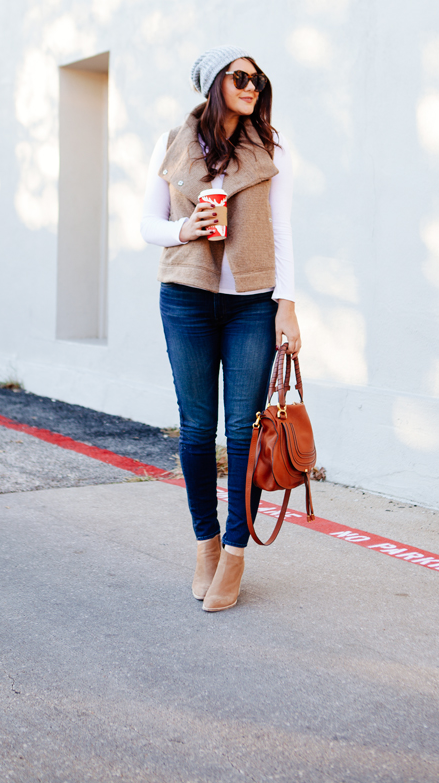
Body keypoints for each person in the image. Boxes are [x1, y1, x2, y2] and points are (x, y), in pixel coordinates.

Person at [140, 45, 300, 612]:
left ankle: (235, 551)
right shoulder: (173, 143)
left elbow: (284, 232)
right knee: (195, 427)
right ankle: (205, 542)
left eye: (257, 78)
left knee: (244, 431)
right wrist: (188, 229)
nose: (251, 85)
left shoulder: (271, 147)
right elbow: (146, 225)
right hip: (185, 296)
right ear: (214, 85)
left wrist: (288, 303)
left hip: (252, 303)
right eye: (240, 77)